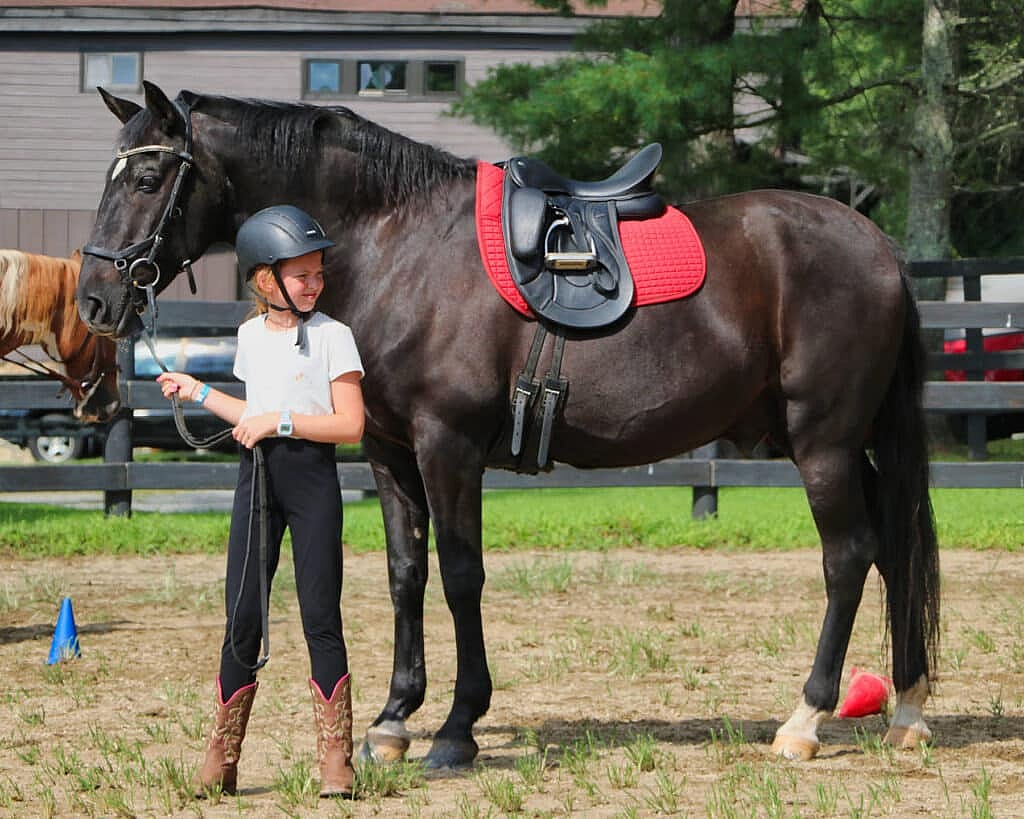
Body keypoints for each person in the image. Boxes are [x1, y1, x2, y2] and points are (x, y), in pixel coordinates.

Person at [157, 205, 365, 799]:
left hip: (311, 484)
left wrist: (283, 422)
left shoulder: (333, 336)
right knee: (241, 616)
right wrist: (196, 390)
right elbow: (252, 417)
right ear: (265, 279)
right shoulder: (249, 336)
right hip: (256, 483)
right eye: (302, 275)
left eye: (318, 273)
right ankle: (222, 755)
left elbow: (350, 425)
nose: (315, 284)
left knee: (320, 616)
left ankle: (335, 758)